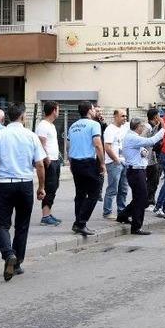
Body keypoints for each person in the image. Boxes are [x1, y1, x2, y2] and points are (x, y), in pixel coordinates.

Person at [0, 103, 46, 282]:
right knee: (22, 225)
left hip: (4, 184)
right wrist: (41, 187)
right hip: (25, 184)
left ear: (7, 117)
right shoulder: (31, 136)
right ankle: (16, 263)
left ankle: (8, 253)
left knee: (1, 224)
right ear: (24, 116)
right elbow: (40, 164)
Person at [118, 118, 165, 235]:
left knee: (139, 198)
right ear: (138, 126)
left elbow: (142, 151)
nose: (143, 128)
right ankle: (136, 227)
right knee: (142, 199)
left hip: (137, 171)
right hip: (136, 172)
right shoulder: (132, 137)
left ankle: (123, 215)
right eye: (142, 126)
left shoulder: (132, 137)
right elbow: (151, 141)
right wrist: (163, 129)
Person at [68, 101, 106, 236]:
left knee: (80, 194)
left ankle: (78, 222)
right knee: (94, 194)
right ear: (90, 110)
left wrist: (71, 162)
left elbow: (69, 145)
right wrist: (102, 163)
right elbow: (97, 144)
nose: (95, 110)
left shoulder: (72, 125)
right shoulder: (94, 124)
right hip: (89, 163)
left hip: (76, 163)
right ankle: (80, 223)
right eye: (94, 108)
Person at [36, 101, 62, 226]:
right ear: (53, 110)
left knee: (54, 187)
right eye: (58, 109)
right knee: (50, 187)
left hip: (55, 160)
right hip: (49, 161)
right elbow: (41, 143)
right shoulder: (43, 125)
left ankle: (48, 213)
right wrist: (46, 158)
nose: (59, 112)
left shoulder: (50, 125)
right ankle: (45, 216)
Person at [103, 109, 129, 219]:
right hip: (114, 163)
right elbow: (107, 147)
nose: (125, 118)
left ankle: (121, 211)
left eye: (126, 116)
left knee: (123, 189)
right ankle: (107, 212)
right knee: (113, 188)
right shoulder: (110, 129)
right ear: (115, 116)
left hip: (124, 162)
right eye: (122, 116)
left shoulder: (125, 128)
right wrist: (116, 159)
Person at [144, 109, 163, 208]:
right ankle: (147, 201)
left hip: (153, 159)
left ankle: (150, 200)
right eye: (159, 116)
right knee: (149, 181)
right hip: (146, 160)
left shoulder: (154, 127)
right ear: (155, 117)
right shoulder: (146, 128)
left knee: (154, 180)